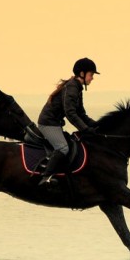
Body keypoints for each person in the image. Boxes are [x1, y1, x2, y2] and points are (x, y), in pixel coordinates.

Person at [37, 57, 99, 187]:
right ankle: (45, 177)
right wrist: (85, 129)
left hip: (55, 123)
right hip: (47, 123)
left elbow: (81, 114)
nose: (92, 78)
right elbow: (70, 113)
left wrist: (98, 125)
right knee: (63, 148)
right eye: (91, 74)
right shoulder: (72, 87)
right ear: (82, 73)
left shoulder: (77, 88)